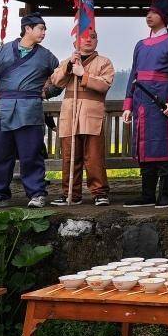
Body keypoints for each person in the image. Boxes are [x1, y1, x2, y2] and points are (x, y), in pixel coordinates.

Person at [0, 12, 61, 209]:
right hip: (3, 109)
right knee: (0, 155)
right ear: (27, 29)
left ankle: (37, 194)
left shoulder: (46, 56)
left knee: (31, 154)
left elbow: (60, 78)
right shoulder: (1, 51)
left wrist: (47, 92)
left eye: (45, 29)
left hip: (30, 109)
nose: (44, 32)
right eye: (41, 28)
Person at [121, 0, 168, 208]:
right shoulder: (140, 45)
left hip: (161, 98)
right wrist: (128, 104)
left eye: (154, 13)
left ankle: (164, 194)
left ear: (164, 16)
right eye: (148, 12)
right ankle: (147, 194)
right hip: (140, 101)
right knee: (144, 145)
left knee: (162, 144)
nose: (149, 16)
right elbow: (134, 74)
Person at [49, 30, 115, 206]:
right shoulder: (68, 62)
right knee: (70, 156)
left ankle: (99, 193)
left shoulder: (104, 62)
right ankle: (71, 193)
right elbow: (56, 81)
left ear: (97, 41)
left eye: (93, 37)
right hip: (70, 114)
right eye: (84, 37)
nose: (88, 40)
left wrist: (82, 74)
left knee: (94, 157)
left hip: (91, 115)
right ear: (75, 43)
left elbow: (104, 85)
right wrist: (70, 66)